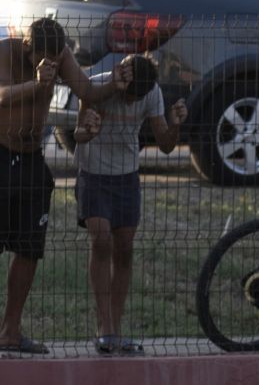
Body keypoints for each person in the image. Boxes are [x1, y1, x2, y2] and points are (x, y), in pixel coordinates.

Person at [0, 18, 131, 354]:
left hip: (31, 160)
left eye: (58, 58)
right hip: (2, 154)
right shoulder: (6, 52)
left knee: (29, 248)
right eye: (47, 57)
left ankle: (10, 332)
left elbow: (86, 91)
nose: (55, 64)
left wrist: (114, 84)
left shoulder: (58, 56)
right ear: (29, 49)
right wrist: (36, 84)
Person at [74, 53, 187, 355]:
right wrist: (88, 131)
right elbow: (77, 135)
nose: (130, 102)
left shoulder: (152, 93)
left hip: (127, 178)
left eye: (137, 97)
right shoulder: (97, 86)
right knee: (101, 241)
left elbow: (165, 144)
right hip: (94, 175)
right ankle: (104, 327)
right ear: (119, 76)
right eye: (128, 94)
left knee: (124, 248)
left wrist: (175, 125)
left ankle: (115, 326)